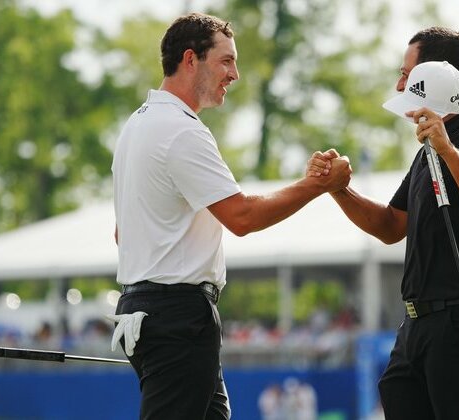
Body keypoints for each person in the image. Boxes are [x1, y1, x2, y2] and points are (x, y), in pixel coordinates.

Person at [107, 13, 351, 420]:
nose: (235, 74)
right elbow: (241, 216)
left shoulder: (136, 126)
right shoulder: (181, 130)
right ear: (191, 59)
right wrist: (318, 185)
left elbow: (123, 234)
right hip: (178, 316)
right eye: (226, 61)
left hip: (148, 310)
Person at [308, 27, 459, 419]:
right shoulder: (427, 148)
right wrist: (339, 190)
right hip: (419, 325)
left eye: (406, 73)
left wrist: (447, 150)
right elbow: (392, 225)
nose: (399, 83)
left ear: (435, 77)